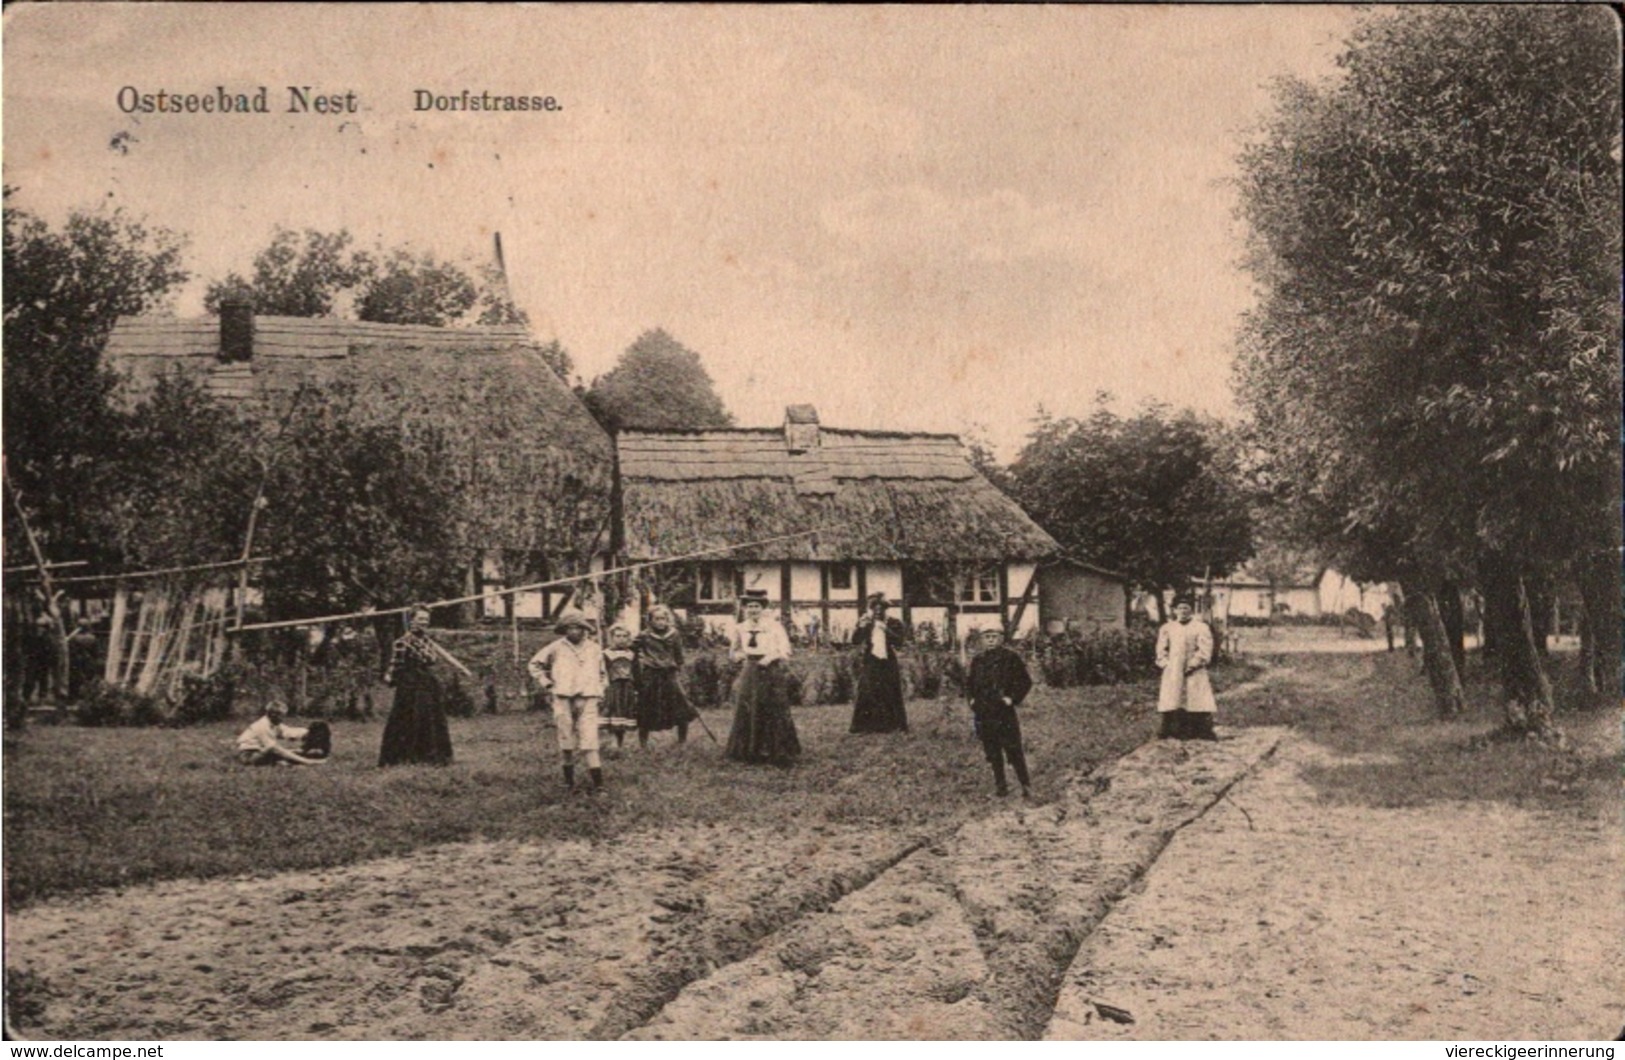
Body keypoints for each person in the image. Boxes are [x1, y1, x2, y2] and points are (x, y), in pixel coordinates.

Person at [529, 607, 607, 792]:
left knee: (589, 738)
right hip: (563, 696)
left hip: (588, 697)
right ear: (564, 630)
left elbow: (603, 673)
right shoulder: (556, 647)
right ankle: (568, 781)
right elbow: (534, 664)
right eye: (569, 628)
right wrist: (547, 683)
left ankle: (598, 783)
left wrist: (601, 690)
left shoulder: (594, 649)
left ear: (584, 629)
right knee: (566, 738)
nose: (574, 631)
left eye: (577, 627)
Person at [724, 591, 800, 765]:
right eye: (749, 606)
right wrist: (739, 656)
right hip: (750, 670)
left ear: (763, 608)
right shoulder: (740, 627)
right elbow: (734, 650)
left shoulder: (774, 626)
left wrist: (770, 658)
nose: (753, 610)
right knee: (749, 705)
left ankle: (776, 750)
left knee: (772, 705)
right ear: (744, 608)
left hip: (770, 668)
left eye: (756, 606)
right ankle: (749, 750)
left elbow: (785, 649)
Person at [378, 606, 454, 766]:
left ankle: (432, 756)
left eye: (426, 620)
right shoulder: (402, 642)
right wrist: (390, 677)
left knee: (431, 717)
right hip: (409, 684)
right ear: (411, 621)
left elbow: (432, 660)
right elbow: (396, 664)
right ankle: (404, 756)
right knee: (409, 717)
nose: (423, 623)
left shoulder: (428, 641)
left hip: (427, 681)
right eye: (420, 619)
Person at [966, 627, 1034, 797]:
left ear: (1001, 638)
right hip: (984, 711)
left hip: (1003, 711)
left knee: (1013, 748)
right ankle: (1001, 787)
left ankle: (1025, 785)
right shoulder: (978, 660)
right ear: (982, 639)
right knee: (992, 750)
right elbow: (970, 683)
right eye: (987, 637)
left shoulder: (1010, 658)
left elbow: (1025, 681)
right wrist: (972, 700)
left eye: (994, 636)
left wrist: (1012, 698)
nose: (990, 640)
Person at [632, 605, 696, 747]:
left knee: (680, 706)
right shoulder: (644, 635)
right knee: (646, 707)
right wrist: (641, 664)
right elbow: (632, 651)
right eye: (657, 619)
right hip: (651, 675)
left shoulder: (674, 634)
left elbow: (679, 657)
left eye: (663, 619)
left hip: (670, 674)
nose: (660, 622)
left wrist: (682, 673)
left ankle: (682, 741)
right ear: (650, 620)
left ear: (668, 620)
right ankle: (643, 743)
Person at [1156, 596, 1218, 741]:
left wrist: (1194, 664)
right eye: (1180, 608)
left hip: (1194, 669)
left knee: (1196, 698)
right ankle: (1171, 730)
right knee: (1172, 698)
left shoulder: (1201, 627)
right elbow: (1161, 649)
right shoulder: (1167, 628)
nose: (1183, 611)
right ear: (1174, 610)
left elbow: (1205, 649)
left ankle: (1199, 730)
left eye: (1186, 608)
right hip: (1173, 668)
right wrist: (1166, 664)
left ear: (1191, 610)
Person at [849, 593, 909, 734]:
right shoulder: (867, 623)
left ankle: (891, 725)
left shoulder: (894, 622)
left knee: (890, 689)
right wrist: (860, 627)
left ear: (885, 610)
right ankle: (866, 726)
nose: (877, 612)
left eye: (880, 609)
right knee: (868, 689)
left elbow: (900, 642)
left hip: (888, 660)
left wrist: (886, 630)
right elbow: (855, 641)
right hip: (871, 659)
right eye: (874, 609)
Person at [236, 701, 325, 766]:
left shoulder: (274, 724)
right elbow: (271, 746)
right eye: (282, 715)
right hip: (249, 755)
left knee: (294, 751)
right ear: (273, 715)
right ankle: (308, 762)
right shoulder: (262, 725)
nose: (283, 718)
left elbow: (288, 731)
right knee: (273, 747)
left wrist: (307, 732)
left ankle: (282, 763)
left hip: (261, 752)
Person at [601, 625, 638, 750]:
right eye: (618, 636)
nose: (621, 639)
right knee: (613, 711)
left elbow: (636, 671)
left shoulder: (632, 654)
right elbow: (601, 671)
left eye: (624, 636)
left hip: (627, 687)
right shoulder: (606, 654)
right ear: (611, 638)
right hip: (613, 686)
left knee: (624, 713)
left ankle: (620, 742)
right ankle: (613, 741)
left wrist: (636, 688)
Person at [66, 619, 101, 702]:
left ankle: (73, 697)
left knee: (75, 679)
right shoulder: (92, 638)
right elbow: (96, 652)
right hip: (88, 661)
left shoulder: (73, 638)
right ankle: (87, 697)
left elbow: (70, 650)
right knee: (88, 678)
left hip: (76, 661)